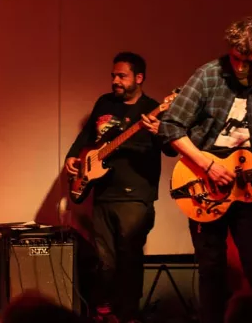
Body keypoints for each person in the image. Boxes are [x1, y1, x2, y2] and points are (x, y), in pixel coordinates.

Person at [158, 17, 252, 323]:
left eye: (248, 61)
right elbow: (170, 127)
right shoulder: (209, 76)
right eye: (236, 59)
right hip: (205, 182)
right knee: (212, 270)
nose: (240, 68)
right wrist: (207, 163)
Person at [63, 52, 164, 323]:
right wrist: (73, 157)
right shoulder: (104, 103)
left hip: (135, 197)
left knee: (129, 258)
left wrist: (158, 132)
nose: (115, 81)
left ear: (139, 78)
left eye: (122, 76)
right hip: (103, 193)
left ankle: (129, 314)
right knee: (104, 260)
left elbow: (169, 149)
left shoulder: (153, 109)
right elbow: (86, 138)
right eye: (113, 76)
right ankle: (104, 310)